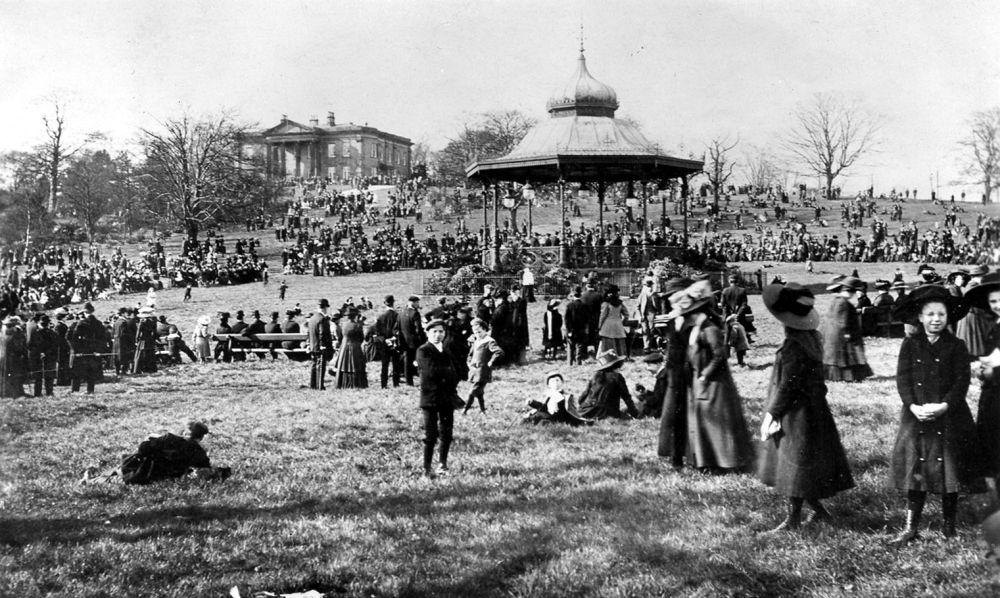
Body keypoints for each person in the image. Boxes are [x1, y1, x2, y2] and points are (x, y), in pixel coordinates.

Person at [887, 284, 985, 545]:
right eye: (930, 314)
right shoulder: (910, 345)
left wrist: (945, 406)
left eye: (941, 314)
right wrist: (912, 405)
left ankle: (949, 526)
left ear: (948, 317)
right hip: (916, 417)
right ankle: (910, 527)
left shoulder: (956, 345)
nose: (936, 319)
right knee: (915, 471)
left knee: (948, 472)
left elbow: (961, 382)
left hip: (949, 416)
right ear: (920, 317)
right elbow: (903, 380)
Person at [757, 282, 855, 533]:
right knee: (804, 464)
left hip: (795, 414)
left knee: (794, 467)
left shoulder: (793, 346)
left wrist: (772, 413)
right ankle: (819, 511)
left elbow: (787, 386)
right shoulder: (812, 339)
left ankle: (793, 519)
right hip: (813, 410)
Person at [672, 280, 754, 472]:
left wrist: (704, 376)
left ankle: (722, 461)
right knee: (701, 422)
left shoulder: (710, 329)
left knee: (715, 423)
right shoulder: (696, 329)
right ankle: (704, 460)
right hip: (699, 381)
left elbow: (720, 355)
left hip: (714, 384)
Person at [965, 272, 1000, 499]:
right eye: (993, 301)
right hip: (993, 395)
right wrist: (981, 368)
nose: (998, 305)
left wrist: (991, 370)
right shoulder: (994, 326)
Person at [657, 276, 694, 467]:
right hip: (677, 371)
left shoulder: (691, 318)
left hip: (686, 370)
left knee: (684, 414)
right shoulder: (674, 318)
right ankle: (676, 455)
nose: (671, 300)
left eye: (674, 296)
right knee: (676, 414)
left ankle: (682, 455)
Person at [416, 319, 460, 478]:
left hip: (447, 397)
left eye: (441, 331)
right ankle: (427, 468)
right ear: (428, 333)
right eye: (434, 331)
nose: (438, 335)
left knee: (446, 432)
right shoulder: (423, 350)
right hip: (431, 398)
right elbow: (430, 372)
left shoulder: (446, 350)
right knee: (430, 434)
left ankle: (442, 463)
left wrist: (451, 379)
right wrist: (448, 374)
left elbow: (457, 370)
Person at [821, 276, 874, 382]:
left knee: (838, 355)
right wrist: (846, 333)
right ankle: (848, 375)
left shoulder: (837, 301)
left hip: (834, 333)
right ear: (842, 290)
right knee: (848, 355)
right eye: (850, 291)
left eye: (853, 291)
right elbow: (842, 319)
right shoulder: (843, 303)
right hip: (844, 333)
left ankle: (837, 375)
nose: (852, 294)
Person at [577, 350, 638, 419]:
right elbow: (627, 398)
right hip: (606, 412)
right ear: (617, 364)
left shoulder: (596, 376)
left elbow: (583, 396)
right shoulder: (617, 377)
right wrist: (635, 413)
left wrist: (582, 408)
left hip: (586, 410)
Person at [464, 317, 503, 414]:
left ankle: (465, 410)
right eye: (475, 332)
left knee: (472, 391)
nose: (478, 334)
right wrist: (469, 362)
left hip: (483, 371)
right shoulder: (476, 341)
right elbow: (470, 354)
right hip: (474, 370)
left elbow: (499, 351)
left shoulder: (489, 341)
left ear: (485, 330)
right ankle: (483, 410)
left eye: (480, 332)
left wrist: (491, 361)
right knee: (479, 392)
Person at [524, 371, 592, 426]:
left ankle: (544, 422)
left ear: (562, 382)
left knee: (543, 420)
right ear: (549, 385)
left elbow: (571, 410)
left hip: (559, 417)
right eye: (552, 381)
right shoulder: (548, 395)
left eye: (557, 380)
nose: (555, 383)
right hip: (547, 414)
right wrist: (532, 403)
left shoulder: (566, 396)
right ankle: (533, 421)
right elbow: (542, 406)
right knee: (537, 416)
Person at [69, 303, 107, 394]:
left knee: (77, 371)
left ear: (85, 312)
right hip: (93, 351)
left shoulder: (81, 323)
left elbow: (73, 337)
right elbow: (103, 339)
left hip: (82, 352)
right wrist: (99, 351)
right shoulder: (98, 323)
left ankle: (75, 390)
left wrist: (76, 350)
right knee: (91, 371)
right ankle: (90, 390)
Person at [956, 264, 992, 357]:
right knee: (973, 341)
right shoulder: (973, 285)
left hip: (974, 316)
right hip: (973, 316)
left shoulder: (974, 284)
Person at [333, 308, 367, 389]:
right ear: (355, 316)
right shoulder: (357, 325)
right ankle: (356, 384)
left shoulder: (343, 325)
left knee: (343, 366)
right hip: (355, 347)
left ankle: (343, 384)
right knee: (356, 365)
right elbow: (361, 338)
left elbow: (340, 337)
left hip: (344, 346)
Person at [374, 295, 402, 388]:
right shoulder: (398, 316)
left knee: (384, 365)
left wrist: (385, 340)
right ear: (393, 303)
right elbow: (399, 330)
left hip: (384, 344)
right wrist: (394, 338)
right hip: (395, 343)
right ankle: (396, 383)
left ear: (385, 304)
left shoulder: (381, 317)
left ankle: (383, 384)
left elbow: (377, 333)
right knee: (396, 364)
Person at [28, 314, 58, 397]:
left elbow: (55, 345)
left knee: (48, 375)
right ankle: (39, 393)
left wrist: (45, 353)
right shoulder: (36, 333)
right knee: (39, 376)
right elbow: (30, 345)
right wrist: (39, 352)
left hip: (48, 356)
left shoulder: (50, 333)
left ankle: (48, 391)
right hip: (39, 357)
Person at [307, 299, 333, 390]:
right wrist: (322, 345)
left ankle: (313, 385)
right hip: (320, 346)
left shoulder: (312, 318)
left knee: (314, 366)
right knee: (321, 366)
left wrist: (308, 344)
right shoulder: (322, 319)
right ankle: (319, 386)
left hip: (313, 346)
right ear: (325, 308)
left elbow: (309, 333)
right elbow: (322, 333)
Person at [399, 295, 425, 385]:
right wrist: (422, 339)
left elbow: (398, 327)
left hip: (404, 341)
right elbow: (418, 329)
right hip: (415, 341)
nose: (418, 304)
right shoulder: (415, 313)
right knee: (419, 360)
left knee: (407, 361)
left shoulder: (402, 312)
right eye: (417, 302)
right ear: (413, 303)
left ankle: (409, 381)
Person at [598, 284, 630, 356]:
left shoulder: (606, 303)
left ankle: (608, 356)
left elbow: (602, 316)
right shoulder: (620, 303)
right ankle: (620, 355)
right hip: (618, 323)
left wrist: (599, 326)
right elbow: (626, 314)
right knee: (619, 342)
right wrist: (623, 322)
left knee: (608, 342)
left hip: (607, 324)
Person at [0, 316, 27, 398]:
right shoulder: (14, 335)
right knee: (14, 375)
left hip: (4, 357)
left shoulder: (4, 334)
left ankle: (5, 392)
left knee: (5, 375)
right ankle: (15, 392)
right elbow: (18, 347)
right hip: (13, 358)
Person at [563, 287, 589, 366]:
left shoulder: (569, 305)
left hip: (571, 329)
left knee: (570, 346)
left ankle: (570, 362)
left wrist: (568, 330)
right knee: (579, 346)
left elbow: (566, 319)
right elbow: (587, 319)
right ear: (580, 296)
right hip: (581, 329)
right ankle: (578, 362)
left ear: (573, 296)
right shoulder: (584, 306)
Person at [132, 307, 158, 374]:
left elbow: (138, 332)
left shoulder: (142, 322)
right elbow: (155, 332)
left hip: (143, 340)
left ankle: (138, 369)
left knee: (140, 355)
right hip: (150, 340)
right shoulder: (153, 322)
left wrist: (136, 340)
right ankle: (150, 369)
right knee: (150, 355)